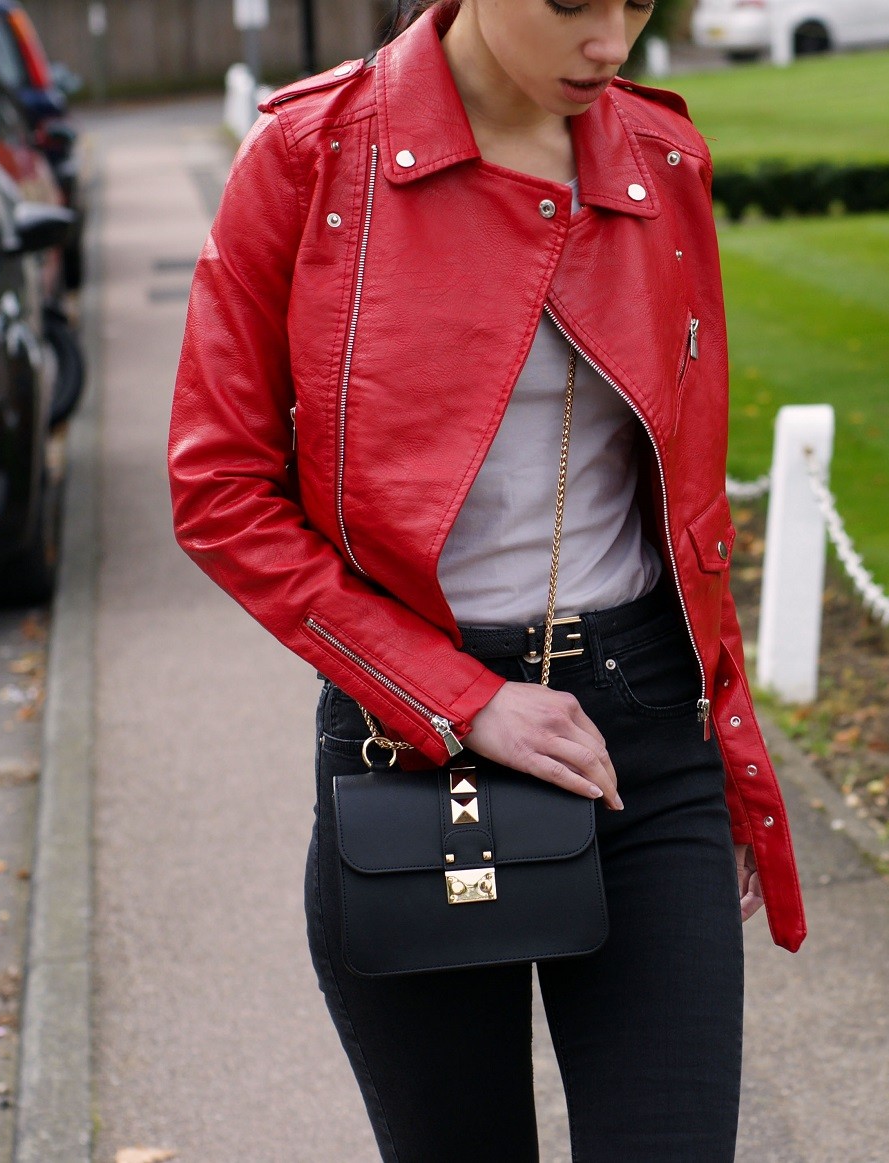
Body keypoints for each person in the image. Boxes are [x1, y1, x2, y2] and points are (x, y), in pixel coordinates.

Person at [167, 0, 807, 1157]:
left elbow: (688, 503)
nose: (612, 40)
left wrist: (731, 751)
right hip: (409, 757)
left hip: (644, 750)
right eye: (571, 4)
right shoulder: (312, 160)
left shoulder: (664, 161)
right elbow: (218, 491)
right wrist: (461, 698)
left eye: (636, 0)